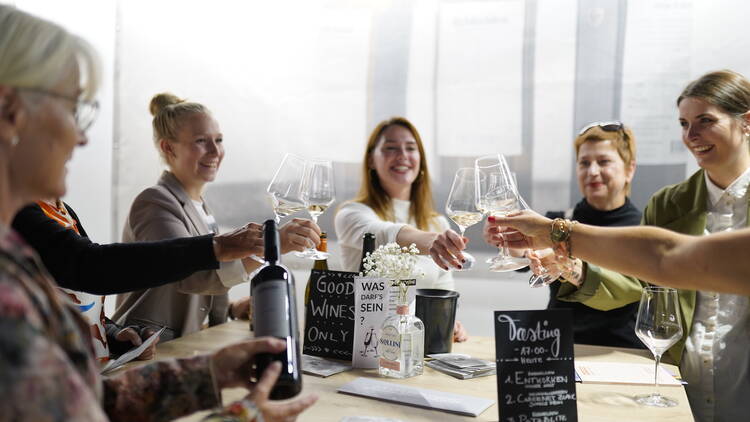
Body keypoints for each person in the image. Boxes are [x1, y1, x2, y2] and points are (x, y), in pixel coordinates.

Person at [0, 5, 315, 421]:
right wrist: (242, 416)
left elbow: (86, 397)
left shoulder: (16, 254)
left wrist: (207, 375)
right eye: (73, 108)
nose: (80, 137)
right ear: (10, 111)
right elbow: (90, 267)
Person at [489, 70, 750, 422]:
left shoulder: (639, 217)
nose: (691, 135)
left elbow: (662, 258)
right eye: (684, 123)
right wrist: (571, 265)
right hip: (679, 382)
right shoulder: (670, 204)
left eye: (705, 121)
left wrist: (556, 233)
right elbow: (641, 280)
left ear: (746, 123)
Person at [113, 92, 321, 341]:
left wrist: (232, 309)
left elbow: (205, 277)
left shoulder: (200, 205)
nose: (215, 151)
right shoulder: (154, 202)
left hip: (185, 345)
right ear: (168, 148)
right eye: (201, 141)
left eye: (219, 140)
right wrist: (271, 246)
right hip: (146, 347)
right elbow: (189, 277)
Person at [505, 122, 644, 349]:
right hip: (556, 347)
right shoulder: (555, 222)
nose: (592, 171)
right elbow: (524, 257)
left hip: (620, 351)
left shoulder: (643, 229)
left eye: (604, 162)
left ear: (630, 169)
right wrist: (514, 242)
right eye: (584, 163)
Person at [334, 116, 467, 342]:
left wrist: (450, 322)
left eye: (410, 148)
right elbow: (382, 234)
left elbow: (442, 294)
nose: (402, 155)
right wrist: (433, 242)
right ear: (371, 161)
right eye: (390, 148)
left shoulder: (438, 223)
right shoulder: (351, 214)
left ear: (420, 160)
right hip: (364, 345)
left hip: (416, 347)